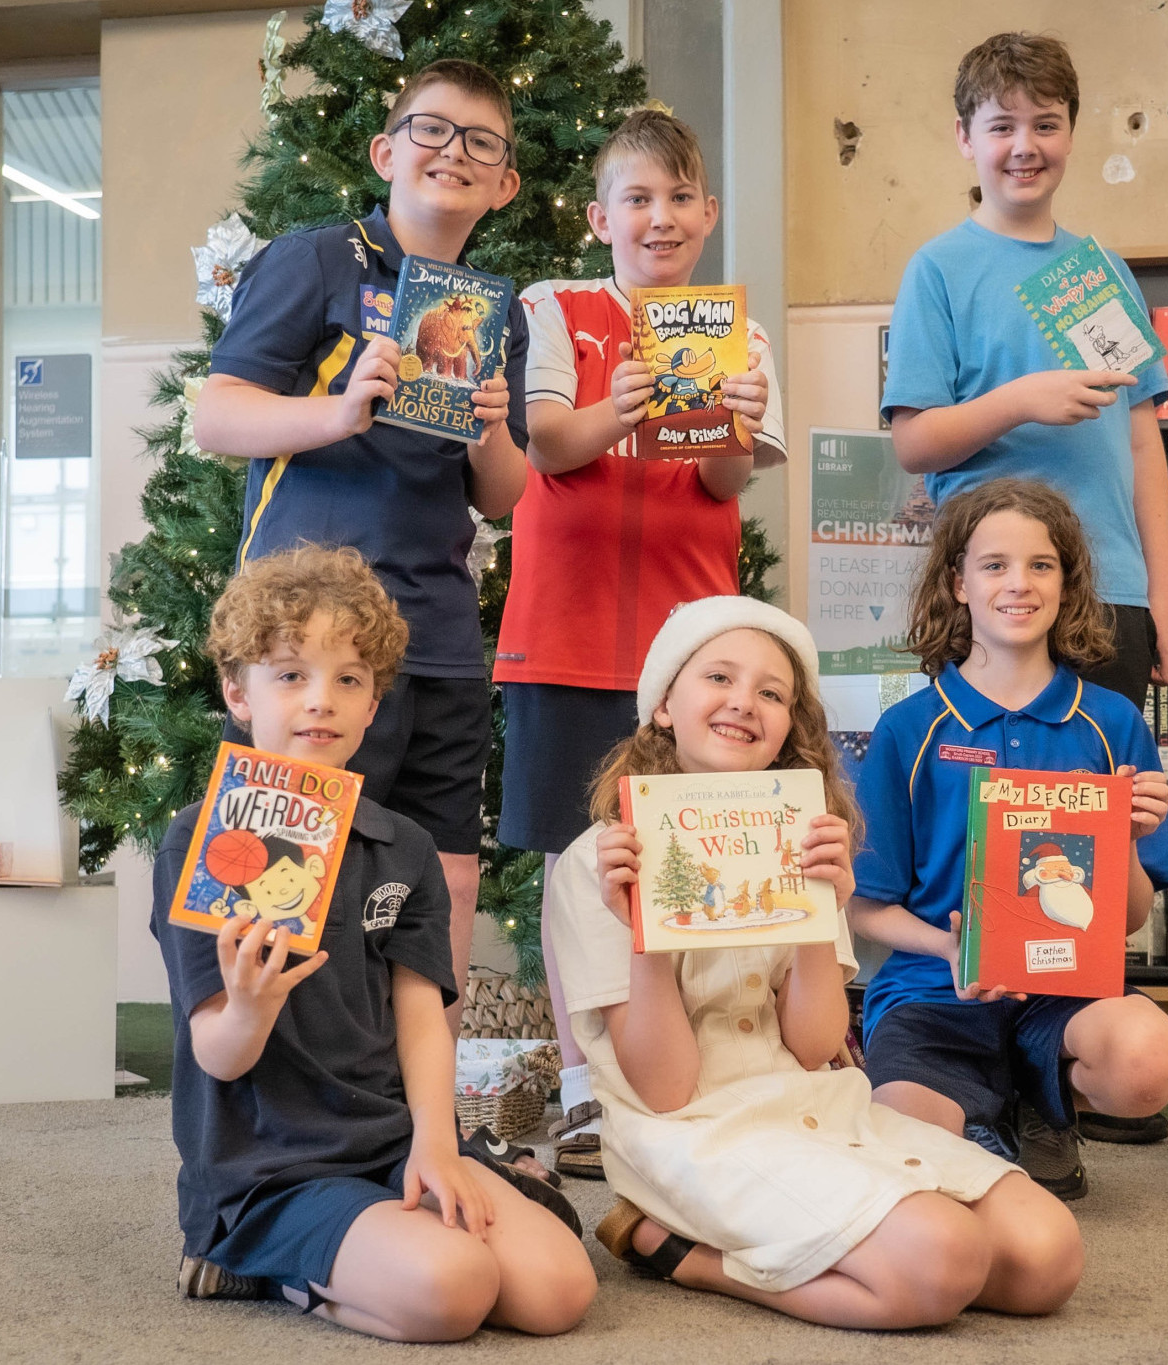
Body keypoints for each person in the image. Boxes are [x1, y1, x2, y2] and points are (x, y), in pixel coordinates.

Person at [545, 596, 1082, 1328]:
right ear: (665, 703)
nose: (744, 702)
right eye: (719, 678)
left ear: (788, 728)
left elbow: (813, 1044)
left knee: (1048, 1258)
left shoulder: (803, 841)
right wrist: (647, 931)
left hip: (815, 1103)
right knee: (942, 1260)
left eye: (772, 692)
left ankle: (868, 1242)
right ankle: (684, 1254)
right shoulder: (598, 862)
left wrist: (819, 909)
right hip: (693, 1131)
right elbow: (668, 1090)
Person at [152, 545, 593, 1341]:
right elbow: (216, 1053)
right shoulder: (204, 840)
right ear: (237, 692)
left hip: (392, 1137)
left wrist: (438, 1145)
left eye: (349, 679)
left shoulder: (406, 847)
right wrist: (250, 1006)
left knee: (559, 1291)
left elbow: (421, 1012)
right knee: (456, 1289)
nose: (321, 700)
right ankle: (262, 1264)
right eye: (290, 674)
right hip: (270, 1166)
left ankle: (384, 1238)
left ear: (374, 704)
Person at [880, 35, 1168, 1144]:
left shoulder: (1101, 270)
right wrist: (1018, 398)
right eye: (1000, 125)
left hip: (1106, 587)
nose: (1024, 145)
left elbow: (1143, 439)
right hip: (996, 587)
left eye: (1044, 123)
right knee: (974, 833)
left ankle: (1059, 1068)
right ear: (965, 139)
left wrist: (1167, 592)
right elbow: (915, 444)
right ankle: (977, 1055)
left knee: (1091, 837)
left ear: (1069, 134)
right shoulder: (939, 269)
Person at [193, 58, 532, 1036]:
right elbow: (218, 416)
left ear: (505, 182)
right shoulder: (316, 261)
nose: (452, 153)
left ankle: (430, 1098)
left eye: (480, 142)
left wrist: (490, 430)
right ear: (387, 151)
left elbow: (500, 496)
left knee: (445, 877)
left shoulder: (482, 311)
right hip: (312, 643)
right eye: (430, 131)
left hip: (434, 636)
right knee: (289, 861)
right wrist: (340, 411)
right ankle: (282, 1073)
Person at [503, 108, 784, 1178]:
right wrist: (616, 406)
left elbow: (722, 481)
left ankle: (687, 1068)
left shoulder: (738, 334)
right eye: (636, 198)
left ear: (707, 215)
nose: (658, 217)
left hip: (687, 654)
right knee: (575, 865)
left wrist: (738, 424)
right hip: (560, 640)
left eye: (678, 199)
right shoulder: (555, 307)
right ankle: (582, 1086)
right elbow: (546, 443)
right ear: (598, 217)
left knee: (684, 863)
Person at [849, 480, 1168, 1201]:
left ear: (1067, 585)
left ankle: (1043, 1099)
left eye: (1041, 565)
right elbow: (865, 907)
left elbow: (1127, 918)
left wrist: (1127, 837)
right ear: (958, 582)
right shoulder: (909, 730)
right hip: (935, 989)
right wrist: (953, 946)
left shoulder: (1112, 722)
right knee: (907, 1156)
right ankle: (988, 1107)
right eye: (995, 564)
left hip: (1063, 990)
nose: (1018, 583)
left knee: (1149, 1063)